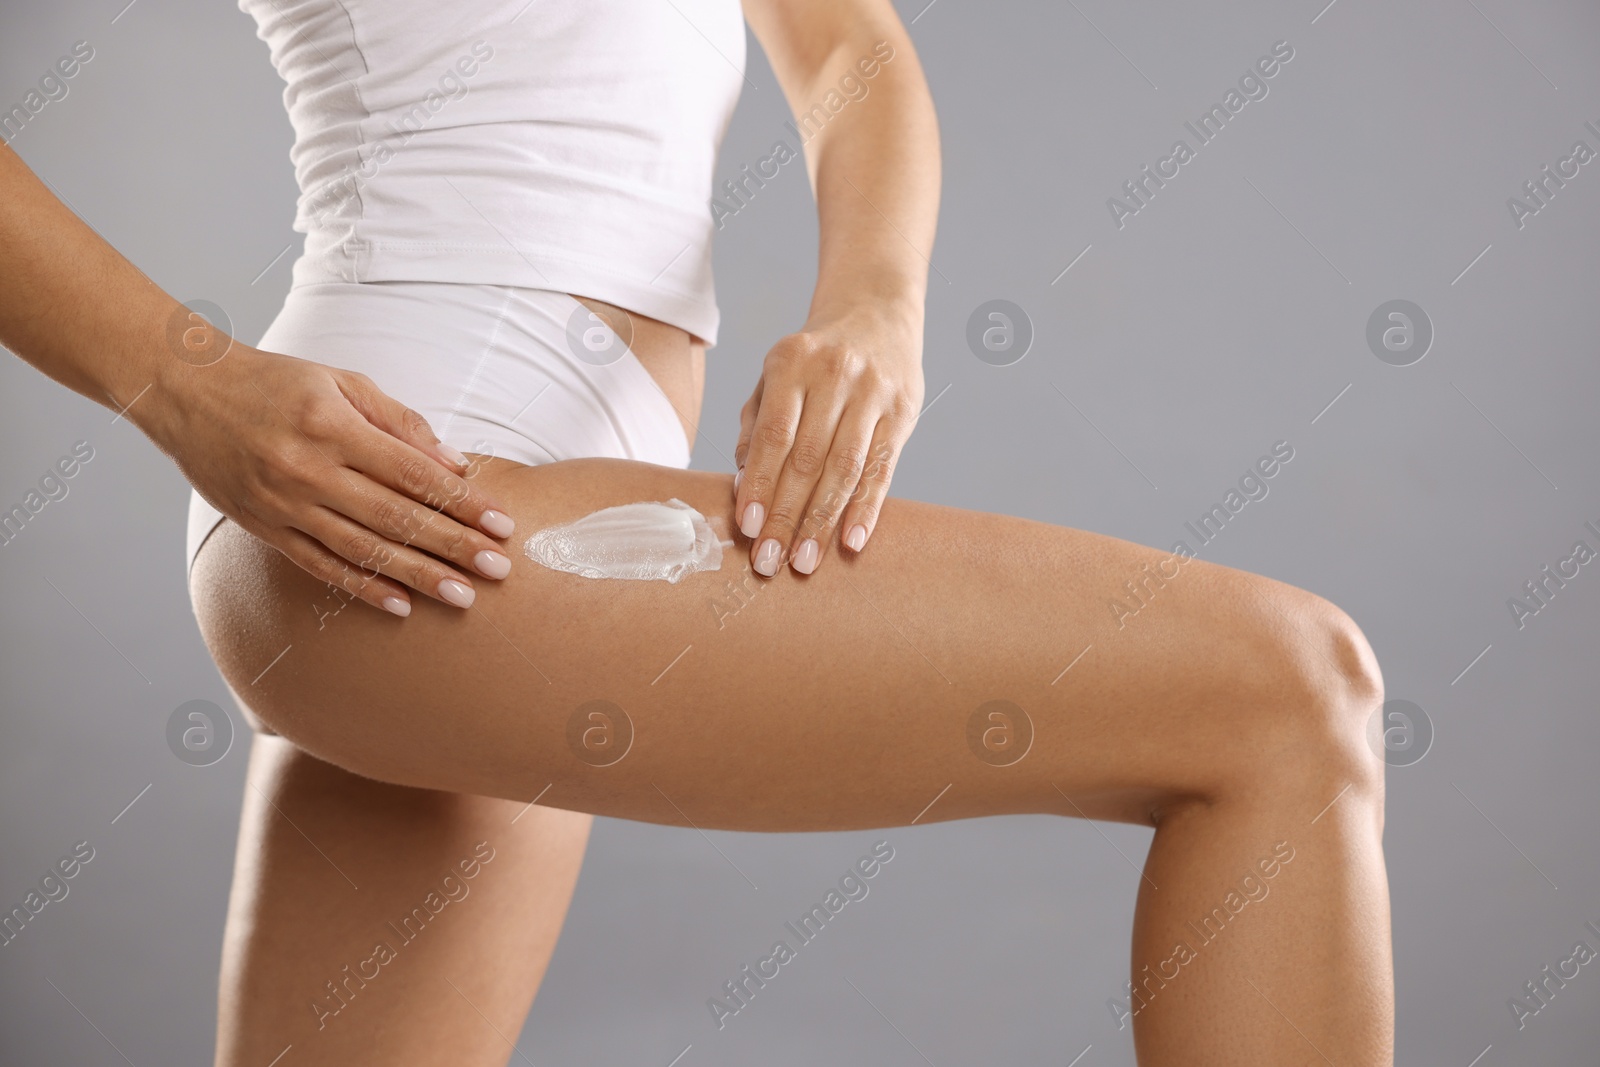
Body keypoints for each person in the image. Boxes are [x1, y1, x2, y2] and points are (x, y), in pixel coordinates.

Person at [0, 0, 1394, 1063]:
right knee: (1287, 693)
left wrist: (875, 306)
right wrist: (178, 379)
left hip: (528, 499)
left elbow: (847, 46)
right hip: (417, 494)